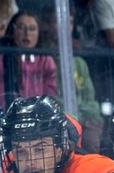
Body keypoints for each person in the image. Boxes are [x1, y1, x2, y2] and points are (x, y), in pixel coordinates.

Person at [40, 5, 104, 153]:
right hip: (57, 124)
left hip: (83, 122)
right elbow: (51, 99)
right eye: (58, 21)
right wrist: (74, 120)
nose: (65, 26)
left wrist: (92, 119)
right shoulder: (41, 60)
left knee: (93, 143)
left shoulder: (79, 62)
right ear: (46, 24)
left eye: (69, 22)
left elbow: (90, 100)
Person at [0, 11, 58, 110]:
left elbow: (51, 96)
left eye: (32, 29)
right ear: (13, 31)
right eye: (21, 28)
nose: (27, 33)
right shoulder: (0, 60)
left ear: (39, 33)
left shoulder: (46, 60)